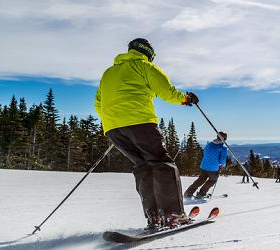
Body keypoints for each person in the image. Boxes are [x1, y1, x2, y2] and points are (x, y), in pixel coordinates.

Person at [95, 38, 199, 230]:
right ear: (149, 53)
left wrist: (115, 121)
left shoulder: (108, 73)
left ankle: (154, 217)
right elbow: (166, 91)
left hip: (113, 127)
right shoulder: (145, 67)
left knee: (143, 166)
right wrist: (185, 99)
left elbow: (98, 103)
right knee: (161, 164)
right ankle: (173, 215)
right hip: (139, 122)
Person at [184, 132, 228, 198]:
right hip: (213, 168)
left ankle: (188, 192)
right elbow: (222, 160)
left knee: (201, 179)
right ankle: (201, 194)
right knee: (212, 180)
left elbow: (205, 152)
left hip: (204, 166)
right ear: (224, 138)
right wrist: (222, 166)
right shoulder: (223, 148)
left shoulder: (210, 144)